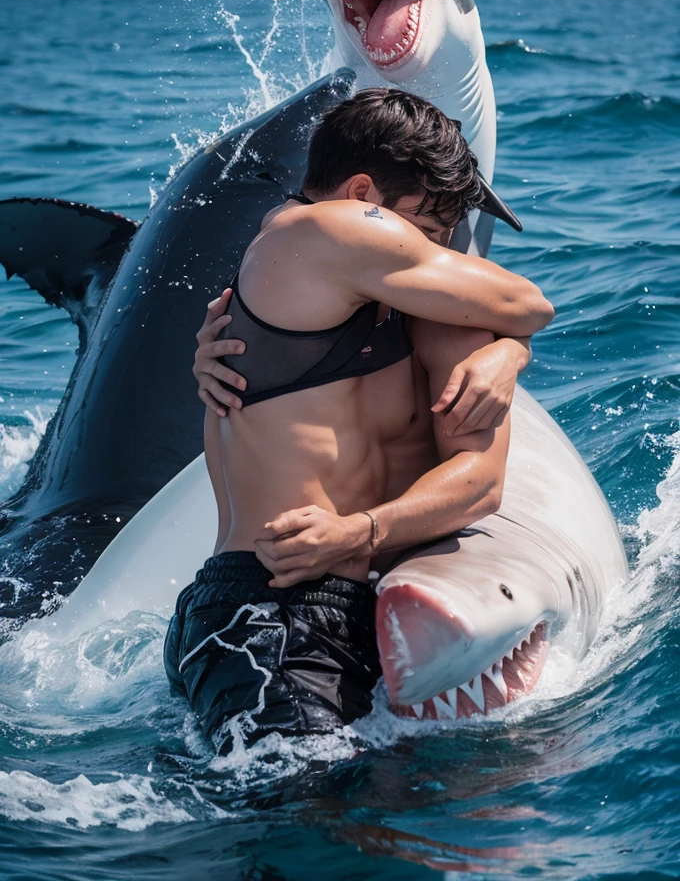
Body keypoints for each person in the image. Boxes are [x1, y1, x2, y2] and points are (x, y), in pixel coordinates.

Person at [165, 89, 554, 753]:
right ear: (363, 191)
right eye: (428, 228)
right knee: (305, 839)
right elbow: (528, 300)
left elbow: (481, 475)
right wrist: (515, 337)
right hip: (276, 613)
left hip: (273, 616)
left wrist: (509, 354)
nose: (441, 248)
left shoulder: (349, 297)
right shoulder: (319, 230)